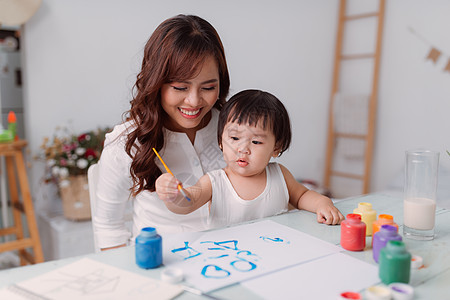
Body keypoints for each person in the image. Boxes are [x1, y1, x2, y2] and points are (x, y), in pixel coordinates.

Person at [93, 14, 230, 250]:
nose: (194, 101)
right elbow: (108, 228)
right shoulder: (126, 142)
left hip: (236, 258)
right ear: (156, 82)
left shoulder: (233, 128)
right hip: (163, 266)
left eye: (208, 87)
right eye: (180, 87)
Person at [156, 89, 345, 228]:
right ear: (221, 141)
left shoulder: (280, 175)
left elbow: (302, 195)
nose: (242, 149)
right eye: (235, 138)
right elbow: (189, 202)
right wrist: (173, 196)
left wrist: (322, 203)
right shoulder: (215, 182)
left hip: (275, 254)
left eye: (256, 142)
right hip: (230, 260)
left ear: (276, 148)